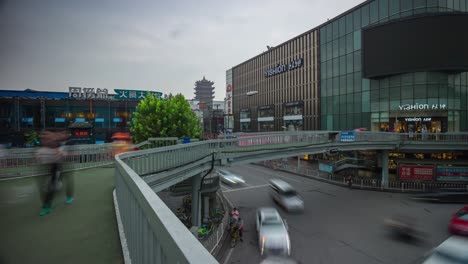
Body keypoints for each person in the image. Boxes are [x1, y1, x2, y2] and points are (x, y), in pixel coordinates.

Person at [35, 130, 73, 216]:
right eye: (44, 139)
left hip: (57, 167)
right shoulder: (42, 149)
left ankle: (48, 206)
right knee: (45, 187)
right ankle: (47, 203)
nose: (45, 140)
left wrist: (61, 154)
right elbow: (39, 157)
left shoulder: (60, 147)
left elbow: (64, 155)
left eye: (47, 139)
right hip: (48, 168)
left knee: (52, 186)